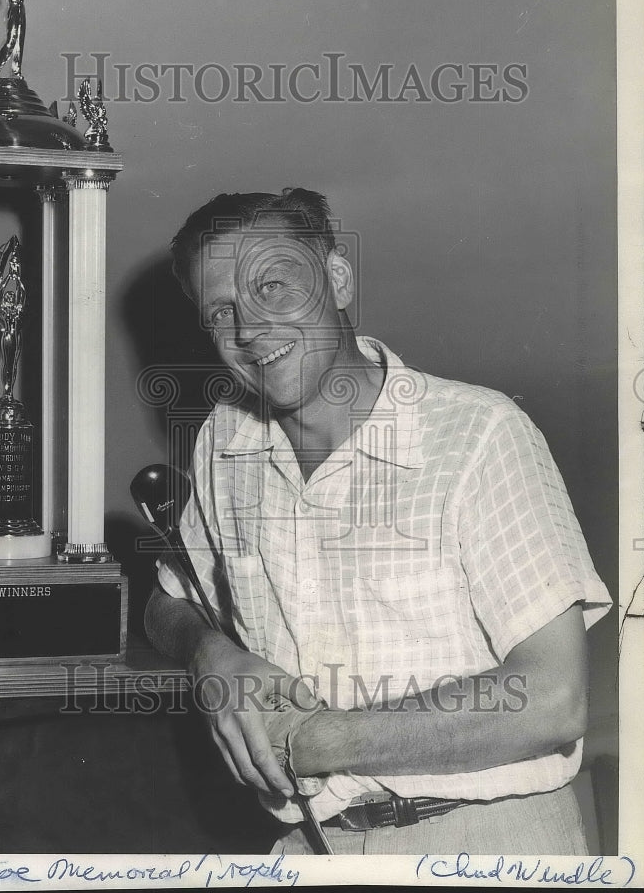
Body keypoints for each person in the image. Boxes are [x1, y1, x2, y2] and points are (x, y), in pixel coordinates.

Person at [144, 188, 612, 855]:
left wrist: (321, 740)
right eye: (221, 312)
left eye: (271, 287)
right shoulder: (224, 443)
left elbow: (552, 699)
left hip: (487, 841)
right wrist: (212, 655)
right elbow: (167, 604)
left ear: (335, 280)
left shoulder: (476, 433)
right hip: (313, 846)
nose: (249, 331)